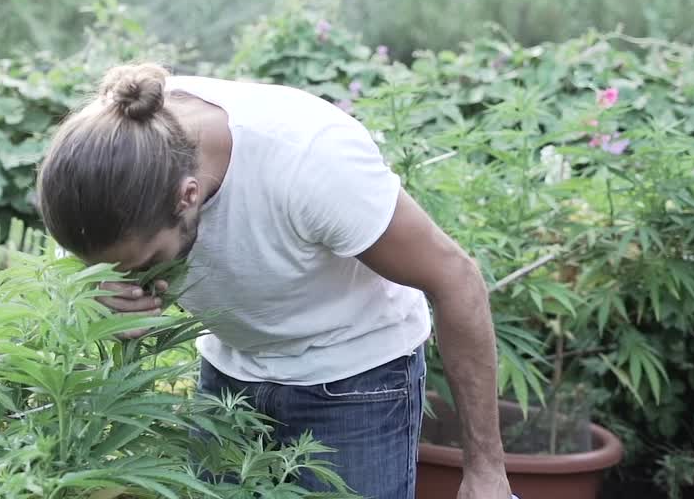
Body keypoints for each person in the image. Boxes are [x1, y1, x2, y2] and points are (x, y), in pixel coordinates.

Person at [34, 62, 514, 499]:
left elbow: (456, 279)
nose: (133, 276)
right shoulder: (104, 159)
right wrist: (95, 291)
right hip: (228, 374)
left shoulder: (307, 161)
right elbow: (85, 253)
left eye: (143, 262)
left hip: (352, 379)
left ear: (188, 196)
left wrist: (486, 469)